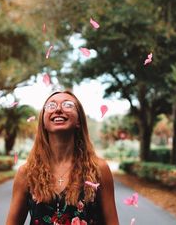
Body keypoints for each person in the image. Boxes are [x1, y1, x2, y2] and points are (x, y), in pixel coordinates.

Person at [6, 91, 119, 225]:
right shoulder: (26, 173)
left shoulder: (99, 169)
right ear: (43, 122)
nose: (58, 109)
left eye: (67, 105)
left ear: (78, 121)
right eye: (51, 106)